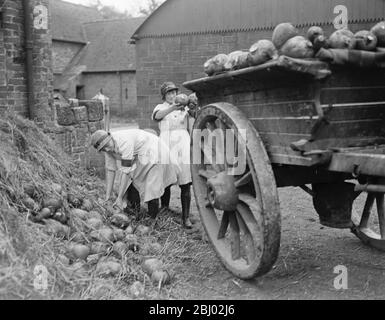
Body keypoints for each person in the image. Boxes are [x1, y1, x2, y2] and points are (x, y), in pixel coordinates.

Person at [90, 129, 178, 219]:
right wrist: (107, 196)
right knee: (132, 182)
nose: (107, 149)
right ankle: (135, 212)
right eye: (103, 149)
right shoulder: (108, 149)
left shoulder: (124, 142)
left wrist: (119, 198)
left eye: (107, 145)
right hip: (141, 155)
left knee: (152, 186)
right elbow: (110, 170)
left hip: (155, 151)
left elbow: (126, 172)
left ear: (110, 138)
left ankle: (152, 219)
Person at [152, 81, 193, 229]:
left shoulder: (185, 107)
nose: (173, 95)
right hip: (166, 143)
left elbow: (192, 119)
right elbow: (157, 116)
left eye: (174, 92)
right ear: (164, 95)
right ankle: (165, 208)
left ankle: (186, 217)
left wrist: (191, 108)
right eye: (169, 93)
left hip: (182, 143)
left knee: (185, 180)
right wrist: (172, 108)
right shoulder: (161, 107)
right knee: (166, 178)